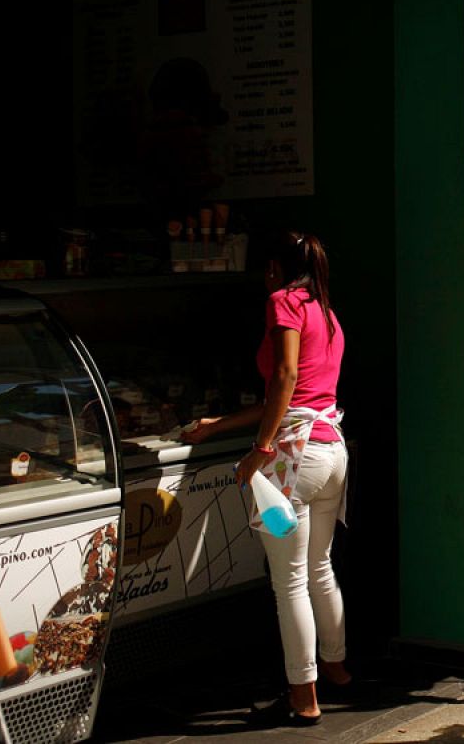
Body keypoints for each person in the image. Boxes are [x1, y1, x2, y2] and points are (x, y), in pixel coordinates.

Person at [184, 232, 349, 723]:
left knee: (289, 581)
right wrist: (220, 425)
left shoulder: (284, 302)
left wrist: (259, 450)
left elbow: (284, 378)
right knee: (319, 568)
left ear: (274, 268)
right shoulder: (326, 311)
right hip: (331, 454)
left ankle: (304, 695)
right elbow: (294, 396)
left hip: (291, 463)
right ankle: (336, 668)